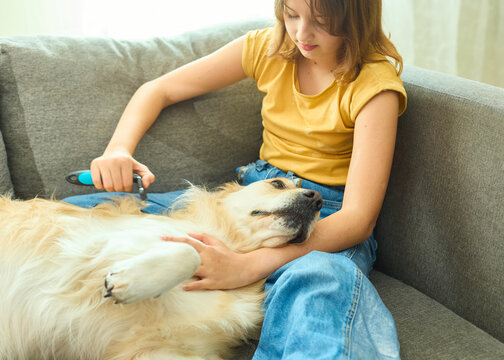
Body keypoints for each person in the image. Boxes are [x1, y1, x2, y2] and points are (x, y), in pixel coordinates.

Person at [64, 0, 407, 358]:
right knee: (88, 212)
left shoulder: (374, 86)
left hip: (328, 213)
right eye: (291, 15)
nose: (302, 33)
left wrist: (245, 267)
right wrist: (118, 149)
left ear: (356, 17)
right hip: (255, 192)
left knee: (324, 278)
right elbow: (159, 89)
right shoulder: (270, 48)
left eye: (322, 22)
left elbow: (359, 219)